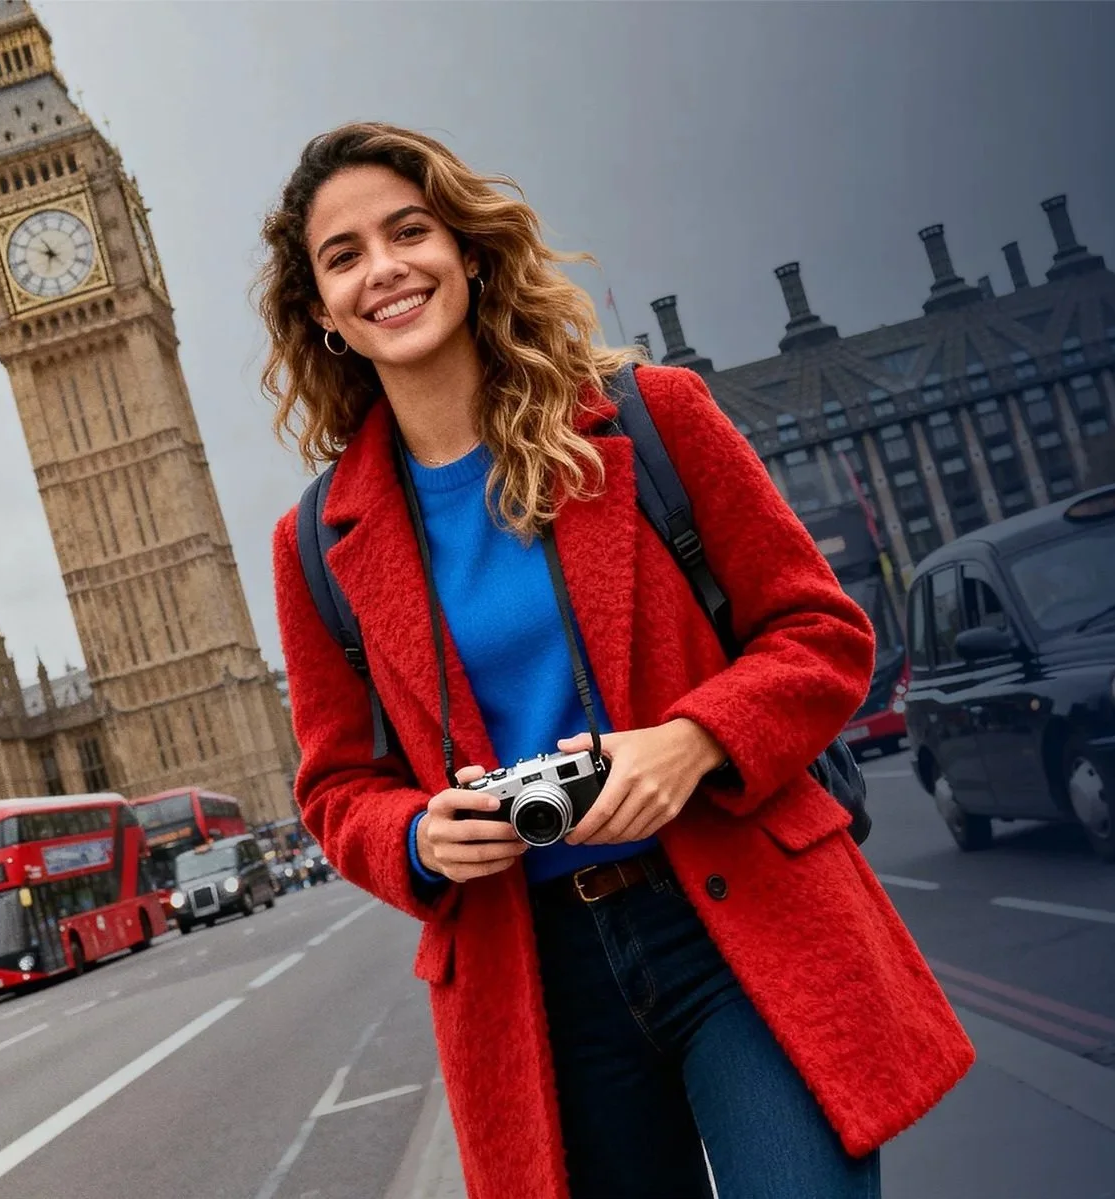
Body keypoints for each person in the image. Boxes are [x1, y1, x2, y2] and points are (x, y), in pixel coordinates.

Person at [258, 123, 972, 1199]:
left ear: (467, 250)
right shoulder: (316, 542)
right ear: (321, 312)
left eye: (409, 231)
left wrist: (691, 742)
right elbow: (332, 785)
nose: (385, 269)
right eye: (344, 255)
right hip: (536, 980)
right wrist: (411, 832)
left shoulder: (646, 415)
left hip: (733, 923)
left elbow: (824, 634)